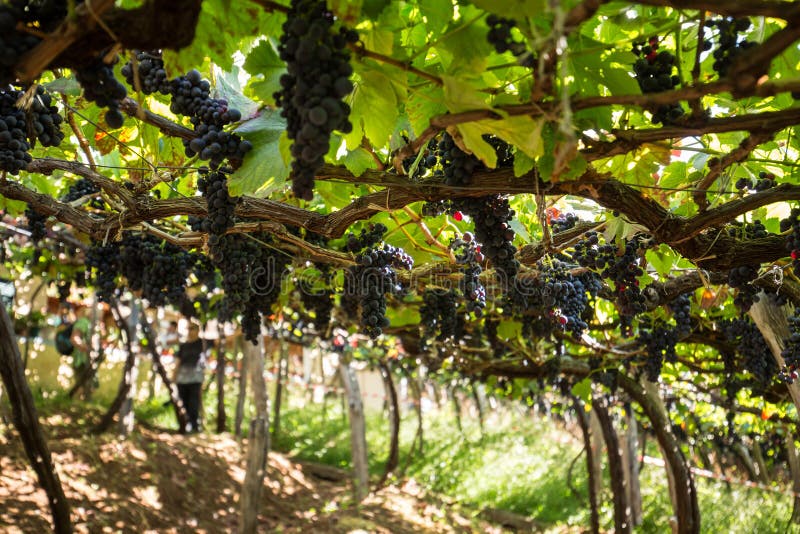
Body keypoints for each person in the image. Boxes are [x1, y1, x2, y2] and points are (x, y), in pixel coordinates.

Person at [175, 323, 206, 433]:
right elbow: (178, 362)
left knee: (194, 403)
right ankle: (184, 426)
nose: (190, 331)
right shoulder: (183, 345)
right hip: (182, 379)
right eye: (188, 329)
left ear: (198, 330)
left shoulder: (202, 344)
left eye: (192, 329)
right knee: (183, 403)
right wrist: (174, 377)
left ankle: (195, 426)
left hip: (195, 379)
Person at [69, 304, 93, 398]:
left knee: (86, 385)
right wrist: (86, 349)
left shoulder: (90, 324)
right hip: (81, 360)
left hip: (86, 360)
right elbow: (74, 338)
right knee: (81, 385)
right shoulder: (84, 322)